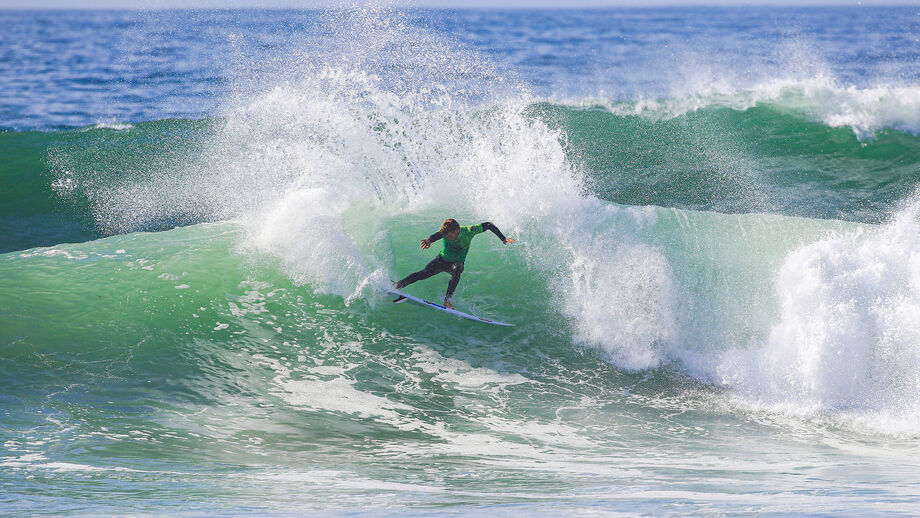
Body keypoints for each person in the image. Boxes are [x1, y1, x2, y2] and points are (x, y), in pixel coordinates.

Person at [394, 218, 515, 309]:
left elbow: (488, 225)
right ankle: (398, 285)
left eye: (449, 235)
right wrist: (429, 240)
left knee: (458, 268)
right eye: (445, 235)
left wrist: (503, 238)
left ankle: (447, 300)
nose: (447, 237)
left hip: (456, 263)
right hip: (441, 260)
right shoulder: (444, 233)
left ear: (456, 231)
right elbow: (438, 235)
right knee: (423, 274)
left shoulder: (469, 231)